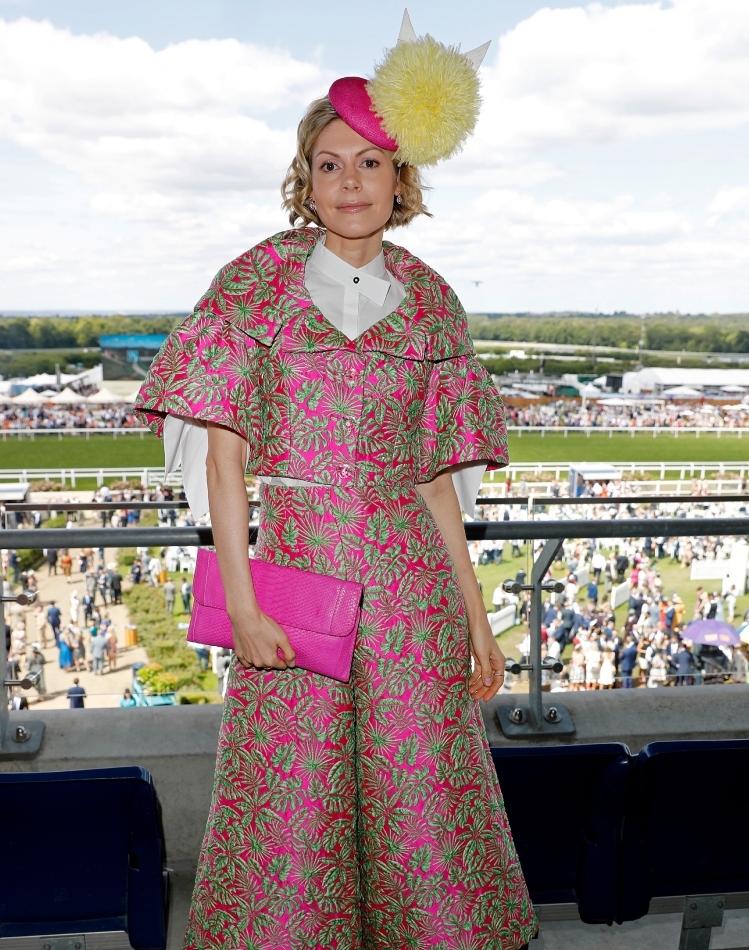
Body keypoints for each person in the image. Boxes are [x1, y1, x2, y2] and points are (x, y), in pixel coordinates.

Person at [134, 21, 535, 947]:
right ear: (302, 180)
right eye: (327, 164)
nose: (349, 182)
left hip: (411, 588)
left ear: (402, 180)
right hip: (297, 576)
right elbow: (227, 459)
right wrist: (240, 603)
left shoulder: (434, 302)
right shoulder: (250, 288)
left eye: (368, 163)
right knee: (291, 802)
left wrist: (475, 619)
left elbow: (439, 485)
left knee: (424, 795)